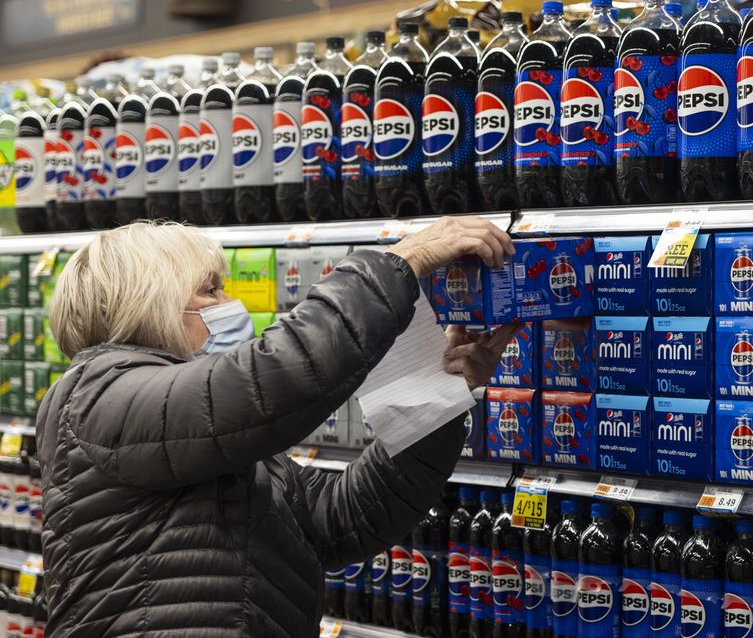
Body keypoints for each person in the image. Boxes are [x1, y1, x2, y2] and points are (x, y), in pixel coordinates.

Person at [36, 216, 518, 637]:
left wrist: (438, 389)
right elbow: (278, 376)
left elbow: (344, 516)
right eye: (210, 289)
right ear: (148, 304)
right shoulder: (97, 396)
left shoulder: (201, 430)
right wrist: (400, 263)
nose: (230, 302)